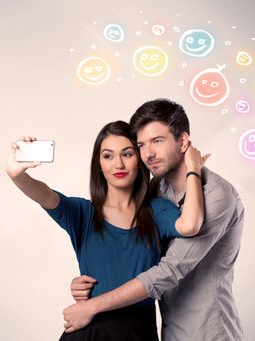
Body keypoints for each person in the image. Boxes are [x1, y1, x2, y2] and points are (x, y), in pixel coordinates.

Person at [5, 120, 208, 340]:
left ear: (139, 161)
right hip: (89, 332)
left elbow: (190, 225)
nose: (118, 164)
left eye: (127, 154)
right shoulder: (83, 213)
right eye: (108, 156)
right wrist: (17, 175)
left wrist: (193, 171)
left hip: (139, 333)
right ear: (99, 165)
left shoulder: (156, 210)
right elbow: (43, 194)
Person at [64, 99, 245, 340]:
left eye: (157, 141)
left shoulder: (216, 195)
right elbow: (134, 250)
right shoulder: (157, 189)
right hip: (167, 331)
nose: (148, 154)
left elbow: (168, 271)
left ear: (183, 142)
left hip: (206, 331)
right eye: (141, 145)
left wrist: (93, 306)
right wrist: (93, 283)